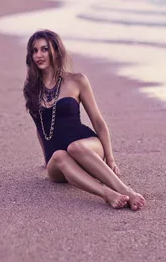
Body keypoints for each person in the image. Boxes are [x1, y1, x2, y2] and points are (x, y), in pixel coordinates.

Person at [24, 29, 145, 210]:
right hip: (58, 161)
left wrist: (110, 159)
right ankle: (107, 194)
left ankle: (125, 190)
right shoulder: (32, 89)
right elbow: (40, 126)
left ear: (56, 51)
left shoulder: (77, 80)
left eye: (44, 49)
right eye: (34, 51)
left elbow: (97, 120)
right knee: (59, 155)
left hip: (86, 147)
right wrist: (45, 159)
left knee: (74, 147)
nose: (39, 55)